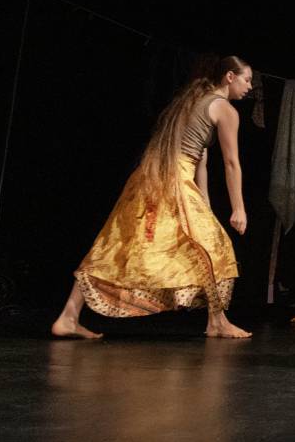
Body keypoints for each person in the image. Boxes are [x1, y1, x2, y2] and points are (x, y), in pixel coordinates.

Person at [52, 56, 255, 340]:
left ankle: (68, 316)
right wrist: (239, 208)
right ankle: (217, 322)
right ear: (230, 77)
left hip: (150, 176)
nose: (250, 87)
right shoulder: (225, 109)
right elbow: (231, 163)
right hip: (173, 180)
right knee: (215, 247)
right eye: (247, 79)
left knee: (116, 244)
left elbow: (201, 158)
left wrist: (204, 202)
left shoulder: (192, 100)